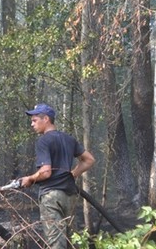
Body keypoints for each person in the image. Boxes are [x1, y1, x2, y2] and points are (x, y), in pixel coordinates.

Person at [20, 103, 95, 249]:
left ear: (46, 119)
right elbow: (89, 160)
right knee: (70, 240)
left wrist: (30, 179)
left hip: (51, 196)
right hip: (70, 196)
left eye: (34, 120)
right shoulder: (69, 139)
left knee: (56, 242)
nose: (31, 124)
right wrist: (73, 174)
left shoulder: (43, 141)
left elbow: (46, 171)